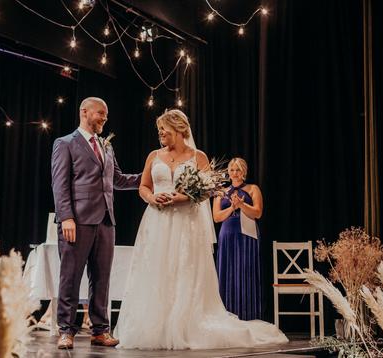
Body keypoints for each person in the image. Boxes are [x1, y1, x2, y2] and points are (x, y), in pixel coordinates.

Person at [114, 109, 287, 349]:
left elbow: (207, 190)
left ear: (178, 129)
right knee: (156, 269)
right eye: (159, 130)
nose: (160, 134)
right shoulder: (154, 155)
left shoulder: (198, 157)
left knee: (184, 269)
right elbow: (144, 186)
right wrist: (151, 198)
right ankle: (155, 325)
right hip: (157, 221)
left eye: (163, 129)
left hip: (186, 223)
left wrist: (183, 197)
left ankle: (183, 324)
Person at [51, 97, 140, 350]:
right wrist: (66, 216)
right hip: (76, 220)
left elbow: (118, 180)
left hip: (105, 221)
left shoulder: (106, 147)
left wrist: (150, 177)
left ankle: (100, 330)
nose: (104, 118)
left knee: (102, 278)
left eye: (106, 115)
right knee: (70, 276)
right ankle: (66, 329)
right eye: (101, 113)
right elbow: (60, 184)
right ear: (85, 112)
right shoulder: (65, 143)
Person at [213, 158, 263, 320]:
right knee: (227, 271)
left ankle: (248, 315)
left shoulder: (253, 189)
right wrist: (232, 208)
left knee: (246, 272)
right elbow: (216, 217)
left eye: (238, 170)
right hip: (227, 234)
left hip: (247, 235)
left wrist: (241, 205)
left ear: (244, 172)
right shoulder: (221, 192)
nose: (235, 173)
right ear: (228, 172)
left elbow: (257, 213)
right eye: (232, 170)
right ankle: (226, 315)